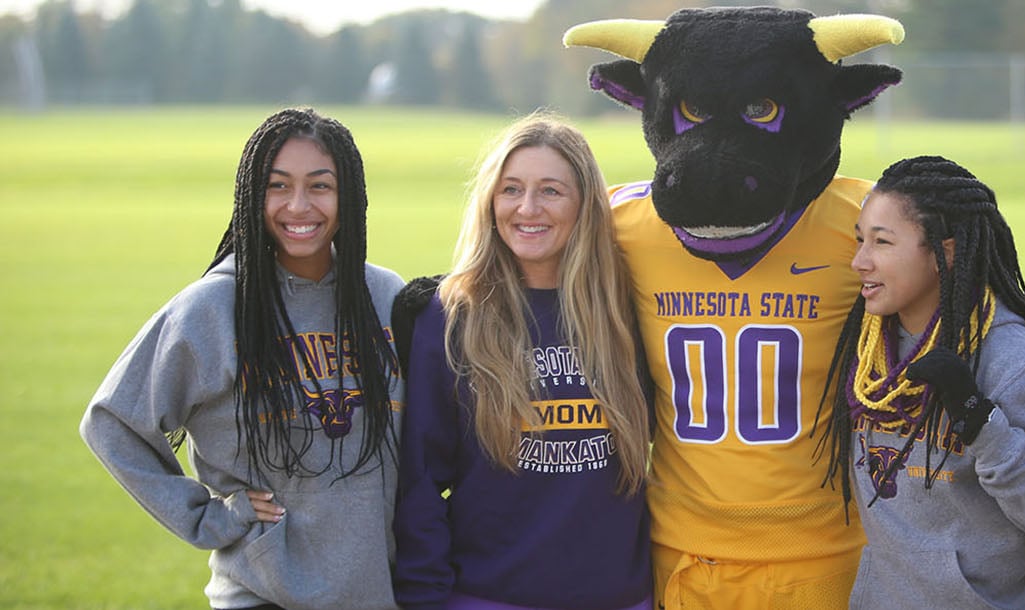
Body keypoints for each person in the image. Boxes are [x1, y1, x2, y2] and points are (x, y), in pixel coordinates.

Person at [79, 107, 405, 610]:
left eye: (320, 186)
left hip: (380, 592)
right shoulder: (212, 308)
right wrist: (207, 517)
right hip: (261, 594)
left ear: (349, 197)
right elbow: (112, 421)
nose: (299, 205)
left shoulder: (385, 297)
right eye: (278, 186)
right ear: (254, 196)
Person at [391, 113, 653, 610]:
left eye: (551, 191)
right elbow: (420, 483)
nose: (527, 208)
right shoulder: (449, 316)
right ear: (490, 202)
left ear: (586, 206)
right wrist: (424, 599)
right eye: (511, 189)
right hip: (488, 597)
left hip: (621, 597)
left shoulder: (627, 310)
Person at [817, 156, 1025, 609]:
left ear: (946, 252)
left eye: (882, 243)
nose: (859, 261)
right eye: (860, 240)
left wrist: (978, 421)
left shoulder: (1017, 360)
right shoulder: (863, 350)